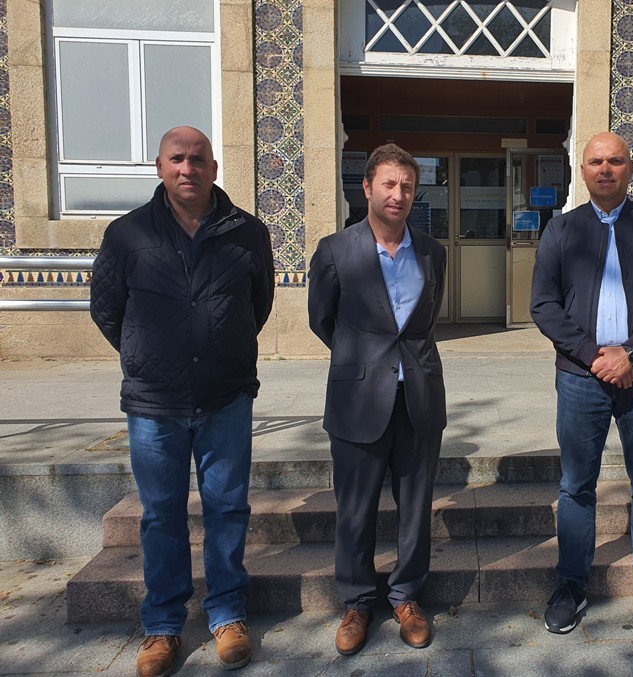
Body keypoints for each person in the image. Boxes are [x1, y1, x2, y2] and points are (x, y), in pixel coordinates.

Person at [90, 126, 275, 676]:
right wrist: (148, 354)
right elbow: (107, 311)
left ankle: (226, 614)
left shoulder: (248, 233)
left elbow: (257, 305)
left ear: (215, 169)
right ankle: (163, 626)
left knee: (226, 510)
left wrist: (223, 348)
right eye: (177, 159)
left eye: (198, 159)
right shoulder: (126, 235)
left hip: (226, 397)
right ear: (159, 167)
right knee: (162, 515)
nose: (187, 168)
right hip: (154, 405)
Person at [530, 132, 633, 637]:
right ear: (582, 170)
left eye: (616, 161)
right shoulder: (560, 231)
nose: (606, 169)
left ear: (630, 169)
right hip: (581, 380)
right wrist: (594, 357)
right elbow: (544, 305)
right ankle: (571, 586)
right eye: (596, 161)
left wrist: (632, 352)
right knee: (576, 486)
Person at [308, 143, 447, 656]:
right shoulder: (334, 250)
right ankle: (357, 602)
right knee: (355, 509)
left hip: (419, 399)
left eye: (407, 186)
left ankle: (407, 595)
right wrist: (365, 362)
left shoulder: (433, 251)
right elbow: (322, 320)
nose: (398, 194)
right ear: (366, 188)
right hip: (358, 401)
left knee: (415, 506)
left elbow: (423, 323)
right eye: (388, 184)